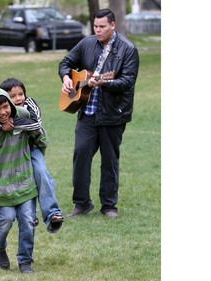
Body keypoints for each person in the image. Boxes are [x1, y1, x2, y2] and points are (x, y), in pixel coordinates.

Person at [58, 8, 139, 218]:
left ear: (113, 25)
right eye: (95, 26)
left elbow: (127, 82)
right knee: (81, 156)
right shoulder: (87, 43)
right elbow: (66, 63)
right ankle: (82, 203)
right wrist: (66, 78)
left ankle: (109, 205)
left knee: (109, 161)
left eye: (102, 26)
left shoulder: (128, 50)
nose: (98, 30)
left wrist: (104, 82)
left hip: (112, 114)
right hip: (87, 112)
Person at [0, 78, 64, 233]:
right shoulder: (2, 111)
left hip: (32, 148)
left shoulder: (29, 105)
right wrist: (0, 124)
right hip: (13, 152)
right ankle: (30, 216)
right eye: (13, 96)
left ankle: (52, 213)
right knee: (20, 181)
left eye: (21, 94)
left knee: (41, 173)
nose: (18, 99)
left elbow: (36, 124)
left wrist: (10, 123)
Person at [0, 87, 44, 273]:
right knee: (6, 219)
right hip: (2, 186)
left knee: (28, 221)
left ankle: (25, 262)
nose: (3, 112)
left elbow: (38, 129)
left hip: (25, 183)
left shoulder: (22, 115)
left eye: (5, 106)